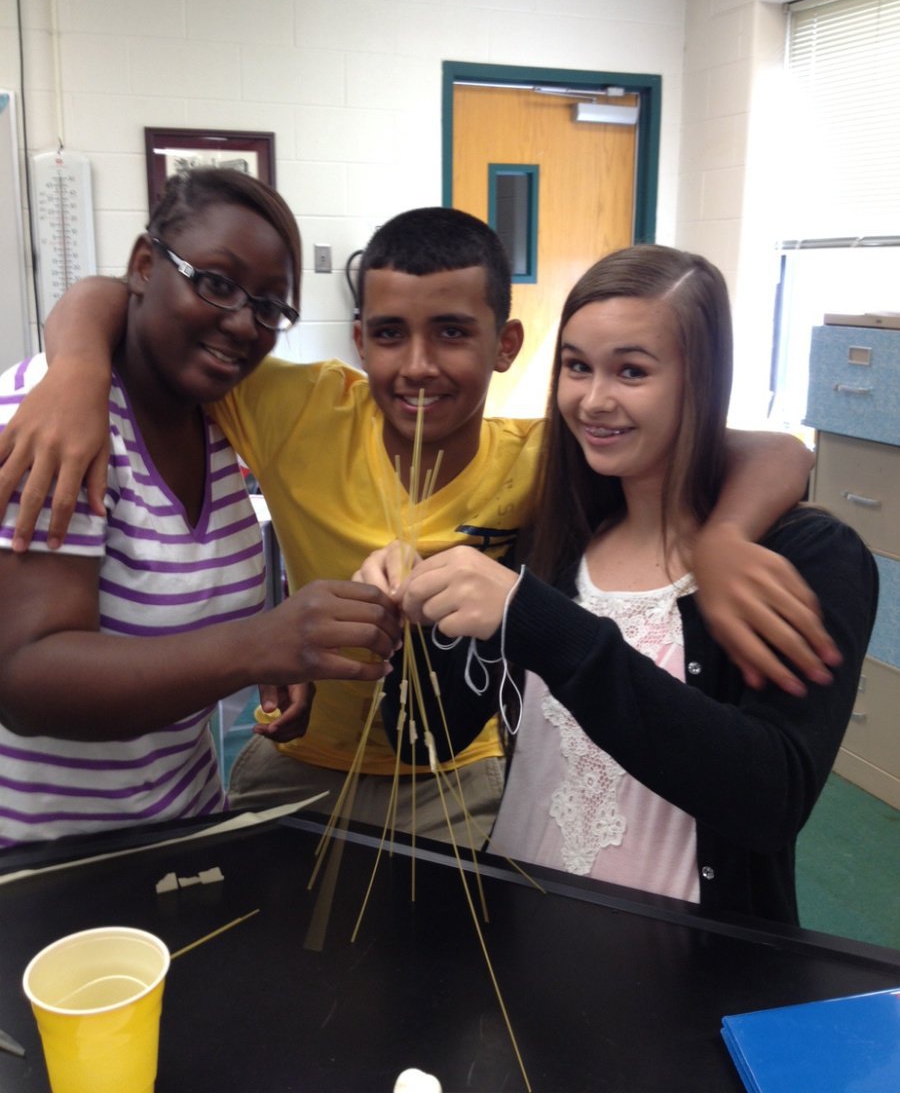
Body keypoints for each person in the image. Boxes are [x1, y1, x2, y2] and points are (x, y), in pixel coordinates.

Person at [0, 211, 834, 844]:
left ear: (506, 344)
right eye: (390, 335)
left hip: (458, 783)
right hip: (292, 766)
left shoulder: (542, 461)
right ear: (359, 338)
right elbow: (127, 296)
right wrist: (74, 365)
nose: (420, 366)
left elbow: (770, 450)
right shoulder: (293, 406)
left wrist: (723, 536)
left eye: (453, 334)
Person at [369, 244, 877, 924]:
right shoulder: (553, 537)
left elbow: (770, 798)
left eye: (631, 371)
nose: (594, 400)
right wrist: (421, 612)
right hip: (520, 934)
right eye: (577, 367)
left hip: (685, 969)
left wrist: (542, 624)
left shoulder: (807, 557)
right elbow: (420, 742)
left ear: (700, 380)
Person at [0, 168, 400, 848]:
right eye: (216, 283)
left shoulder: (219, 416)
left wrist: (280, 656)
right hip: (49, 863)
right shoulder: (55, 418)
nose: (243, 323)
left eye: (270, 307)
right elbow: (22, 679)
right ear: (146, 265)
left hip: (181, 830)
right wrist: (255, 645)